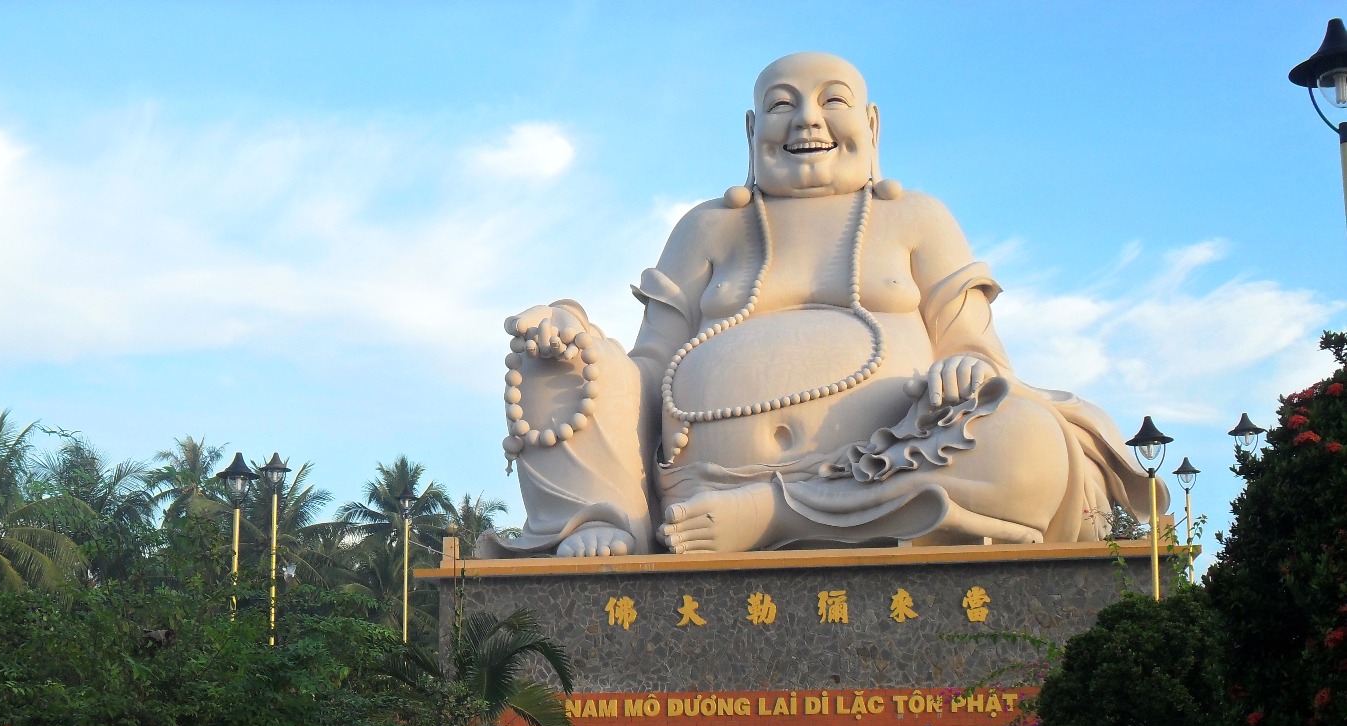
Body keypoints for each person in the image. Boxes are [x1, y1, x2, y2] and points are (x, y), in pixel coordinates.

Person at [486, 52, 1160, 558]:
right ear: (751, 130)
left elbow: (977, 354)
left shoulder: (916, 218)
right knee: (552, 359)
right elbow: (650, 367)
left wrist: (966, 370)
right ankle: (605, 516)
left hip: (888, 466)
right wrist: (576, 340)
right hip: (699, 486)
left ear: (871, 124)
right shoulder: (708, 227)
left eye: (830, 101)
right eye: (782, 105)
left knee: (1030, 444)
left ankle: (777, 513)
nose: (806, 118)